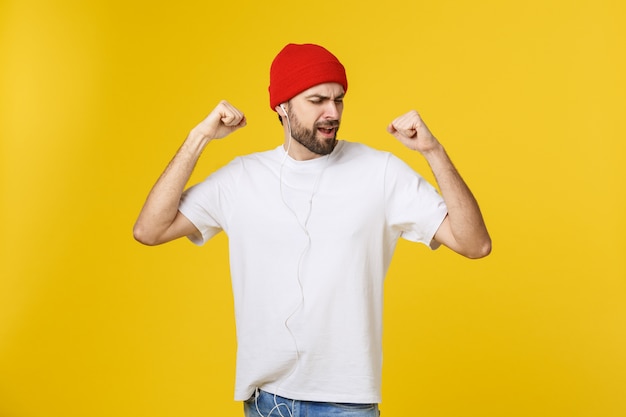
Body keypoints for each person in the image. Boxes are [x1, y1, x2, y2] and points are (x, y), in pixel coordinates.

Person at [134, 43, 491, 417]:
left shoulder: (380, 172)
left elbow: (474, 243)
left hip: (346, 403)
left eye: (339, 100)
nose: (332, 113)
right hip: (265, 401)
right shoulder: (242, 178)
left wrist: (433, 152)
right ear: (282, 107)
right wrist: (199, 138)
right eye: (318, 100)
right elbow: (150, 229)